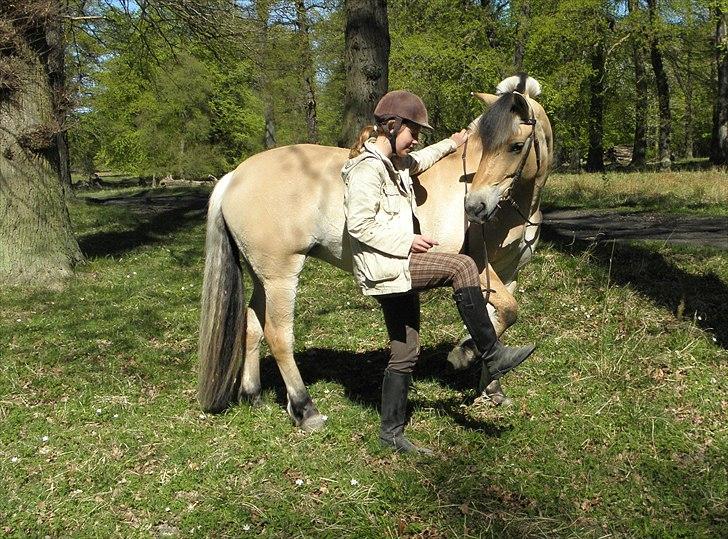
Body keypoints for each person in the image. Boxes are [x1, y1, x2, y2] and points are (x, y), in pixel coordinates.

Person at [341, 90, 535, 454]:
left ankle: (391, 434)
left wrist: (453, 143)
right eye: (412, 131)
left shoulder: (394, 162)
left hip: (395, 263)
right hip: (387, 264)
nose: (416, 139)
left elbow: (420, 159)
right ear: (391, 125)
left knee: (406, 352)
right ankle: (492, 352)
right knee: (462, 265)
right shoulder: (367, 169)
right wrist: (406, 239)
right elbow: (359, 226)